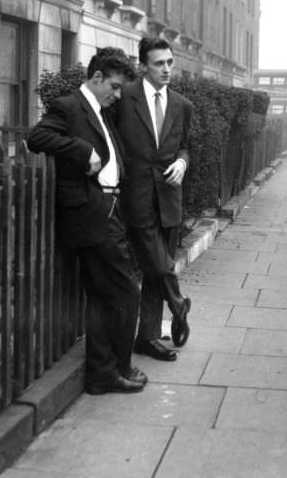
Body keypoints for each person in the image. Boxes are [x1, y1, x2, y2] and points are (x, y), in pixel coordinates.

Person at [27, 47, 146, 395]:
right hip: (92, 215)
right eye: (114, 85)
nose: (117, 94)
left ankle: (102, 373)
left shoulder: (102, 109)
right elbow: (37, 137)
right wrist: (83, 151)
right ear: (95, 78)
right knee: (126, 293)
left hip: (109, 211)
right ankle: (114, 368)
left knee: (103, 297)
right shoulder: (69, 106)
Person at [115, 37, 193, 362]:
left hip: (169, 198)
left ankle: (146, 337)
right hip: (136, 197)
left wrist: (182, 162)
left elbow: (186, 146)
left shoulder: (182, 105)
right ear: (144, 65)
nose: (166, 69)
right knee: (159, 263)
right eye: (159, 63)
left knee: (153, 269)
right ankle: (179, 304)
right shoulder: (125, 98)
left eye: (170, 63)